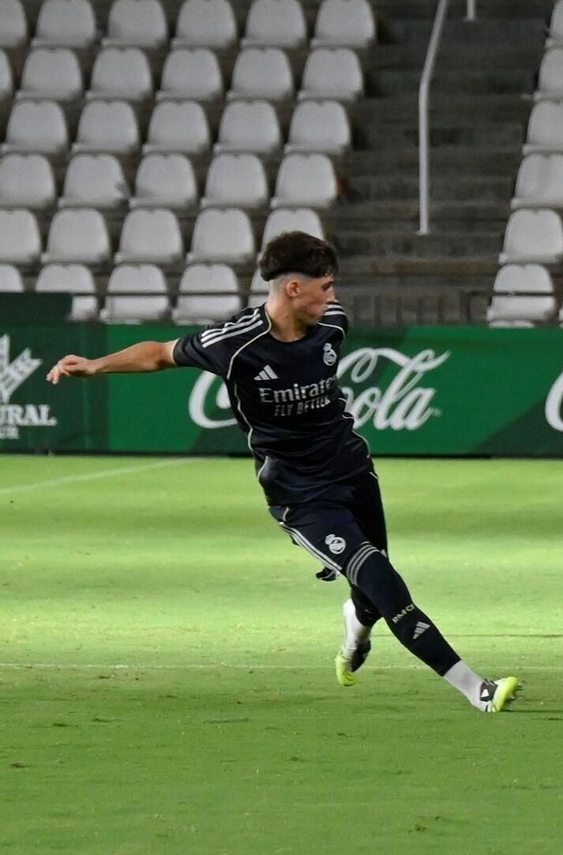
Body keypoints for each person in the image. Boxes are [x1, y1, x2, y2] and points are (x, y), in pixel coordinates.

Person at [46, 232, 520, 712]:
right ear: (294, 288)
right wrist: (94, 366)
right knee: (382, 579)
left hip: (355, 473)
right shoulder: (235, 343)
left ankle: (355, 631)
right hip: (302, 497)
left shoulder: (332, 324)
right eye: (326, 286)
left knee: (372, 595)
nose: (333, 297)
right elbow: (159, 353)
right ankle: (475, 689)